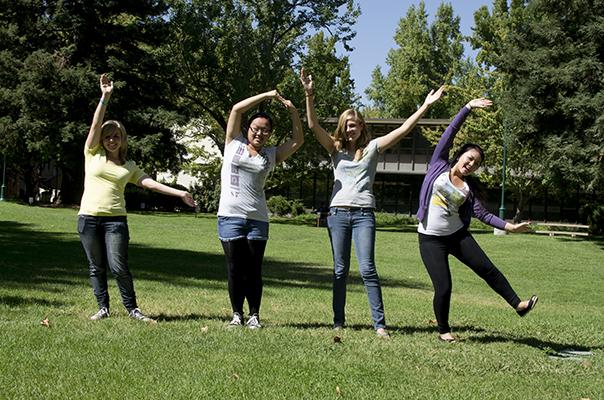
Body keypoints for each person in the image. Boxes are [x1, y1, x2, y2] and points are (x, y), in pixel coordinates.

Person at [300, 68, 444, 337]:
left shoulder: (373, 148)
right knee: (340, 269)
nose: (349, 129)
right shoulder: (335, 148)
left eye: (353, 124)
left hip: (364, 214)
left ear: (361, 126)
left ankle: (379, 325)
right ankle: (338, 320)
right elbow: (312, 126)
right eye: (346, 125)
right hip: (338, 214)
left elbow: (403, 129)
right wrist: (309, 93)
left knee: (368, 268)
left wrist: (425, 105)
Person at [416, 98, 538, 342]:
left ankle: (518, 305)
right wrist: (468, 107)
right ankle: (443, 331)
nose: (471, 164)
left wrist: (511, 227)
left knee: (487, 269)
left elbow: (483, 215)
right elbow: (450, 133)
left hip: (457, 236)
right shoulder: (438, 165)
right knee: (444, 286)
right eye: (469, 158)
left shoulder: (468, 191)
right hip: (430, 239)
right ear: (460, 155)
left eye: (476, 163)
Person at [78, 74, 196, 322]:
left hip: (115, 221)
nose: (111, 139)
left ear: (122, 140)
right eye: (107, 136)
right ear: (102, 139)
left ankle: (133, 309)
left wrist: (180, 193)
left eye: (116, 136)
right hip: (88, 219)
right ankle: (103, 308)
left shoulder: (128, 166)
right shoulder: (92, 154)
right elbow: (94, 124)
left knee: (119, 267)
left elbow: (150, 184)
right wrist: (105, 96)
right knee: (95, 267)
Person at [218, 90, 304, 329]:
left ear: (269, 134)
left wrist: (294, 112)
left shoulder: (270, 154)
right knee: (235, 268)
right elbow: (236, 108)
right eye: (256, 127)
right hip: (229, 215)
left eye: (265, 129)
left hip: (257, 218)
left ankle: (254, 315)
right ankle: (237, 314)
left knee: (253, 269)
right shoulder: (233, 142)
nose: (259, 132)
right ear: (248, 128)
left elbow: (298, 141)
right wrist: (267, 96)